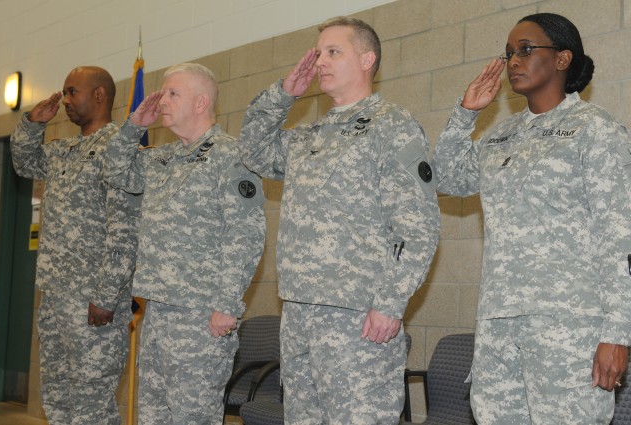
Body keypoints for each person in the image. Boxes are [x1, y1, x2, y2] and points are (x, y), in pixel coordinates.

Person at [239, 17, 440, 424]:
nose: (320, 62)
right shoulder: (309, 135)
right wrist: (282, 96)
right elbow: (254, 152)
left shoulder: (392, 125)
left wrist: (390, 302)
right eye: (318, 54)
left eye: (334, 52)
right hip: (299, 311)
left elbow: (417, 223)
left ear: (367, 59)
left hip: (357, 314)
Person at [434, 12, 631, 424]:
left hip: (568, 324)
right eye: (508, 54)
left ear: (562, 58)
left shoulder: (596, 131)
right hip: (499, 322)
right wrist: (465, 114)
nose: (513, 62)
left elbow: (619, 236)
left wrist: (617, 332)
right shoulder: (501, 135)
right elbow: (448, 179)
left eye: (525, 50)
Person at [103, 62, 266, 424]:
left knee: (193, 416)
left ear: (200, 102)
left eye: (172, 93)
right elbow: (112, 170)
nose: (161, 100)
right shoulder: (162, 158)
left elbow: (246, 233)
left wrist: (227, 304)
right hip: (158, 310)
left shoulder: (230, 156)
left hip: (201, 315)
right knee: (153, 416)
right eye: (161, 92)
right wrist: (134, 128)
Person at [10, 66, 140, 425]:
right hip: (53, 295)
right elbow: (24, 164)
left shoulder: (119, 148)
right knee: (57, 398)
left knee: (91, 405)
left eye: (72, 92)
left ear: (99, 95)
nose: (64, 100)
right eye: (64, 93)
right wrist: (33, 124)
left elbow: (125, 229)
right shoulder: (63, 150)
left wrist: (107, 294)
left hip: (92, 300)